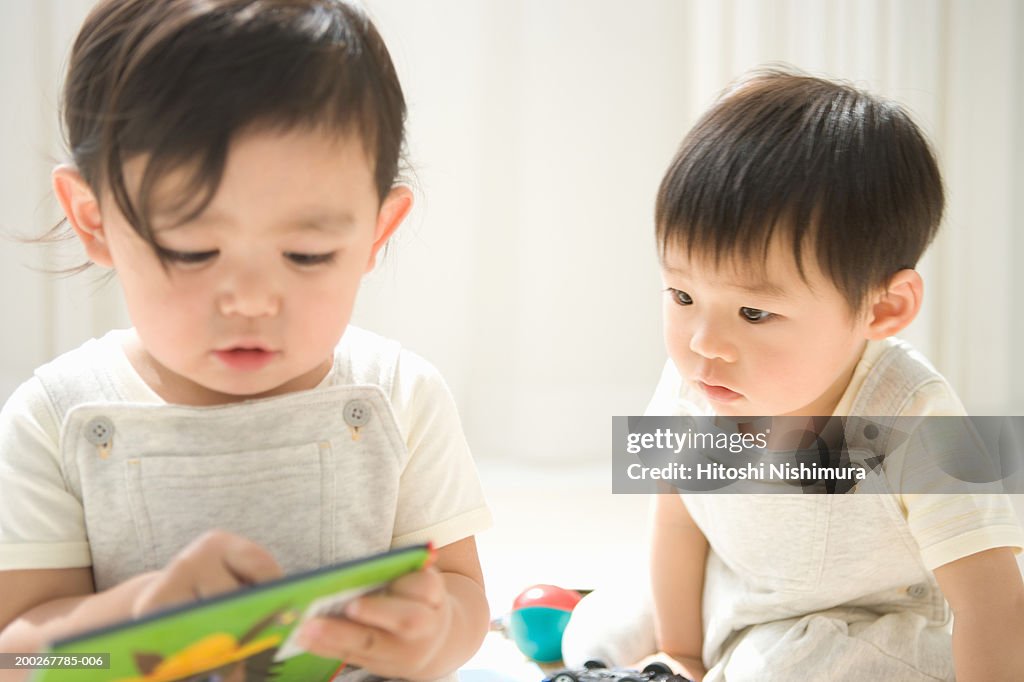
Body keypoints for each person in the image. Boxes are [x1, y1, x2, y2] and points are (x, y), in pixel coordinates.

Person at [0, 2, 491, 680]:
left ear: (378, 232)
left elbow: (464, 600)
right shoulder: (53, 418)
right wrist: (140, 616)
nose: (252, 300)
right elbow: (18, 656)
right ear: (95, 219)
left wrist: (433, 636)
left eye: (308, 253)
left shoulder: (399, 395)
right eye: (194, 250)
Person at [564, 69, 1024, 681]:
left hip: (867, 624)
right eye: (681, 295)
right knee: (597, 628)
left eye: (754, 312)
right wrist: (683, 656)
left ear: (883, 308)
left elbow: (992, 600)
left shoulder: (916, 417)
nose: (705, 344)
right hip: (741, 594)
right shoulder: (694, 383)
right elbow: (678, 518)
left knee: (784, 671)